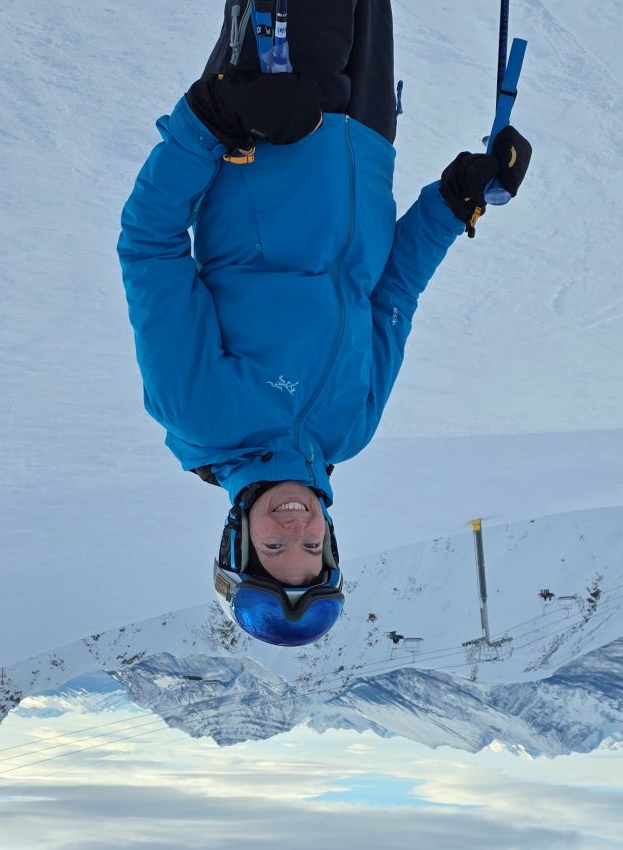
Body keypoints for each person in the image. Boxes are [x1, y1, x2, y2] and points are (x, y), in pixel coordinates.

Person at [118, 0, 532, 647]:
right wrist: (455, 202)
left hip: (268, 122)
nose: (295, 527)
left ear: (237, 540)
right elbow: (390, 296)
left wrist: (212, 118)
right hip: (364, 140)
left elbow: (150, 246)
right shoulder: (349, 431)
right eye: (310, 546)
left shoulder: (200, 414)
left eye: (274, 547)